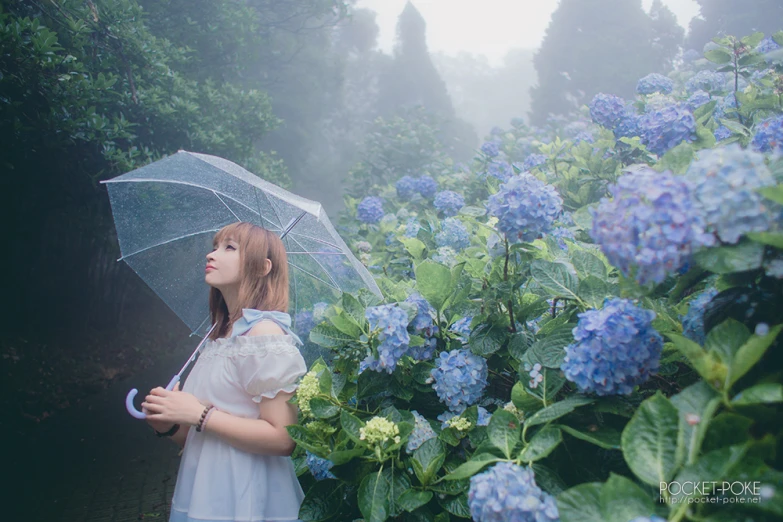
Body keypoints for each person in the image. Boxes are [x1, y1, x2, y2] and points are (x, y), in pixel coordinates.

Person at [141, 222, 307, 522]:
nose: (211, 254)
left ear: (263, 267)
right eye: (215, 246)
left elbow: (284, 439)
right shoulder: (219, 337)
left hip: (245, 499)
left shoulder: (263, 335)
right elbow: (199, 436)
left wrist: (200, 414)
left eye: (229, 247)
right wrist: (169, 422)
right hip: (202, 493)